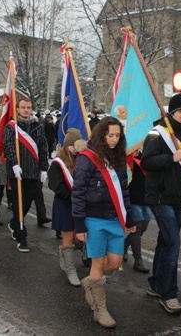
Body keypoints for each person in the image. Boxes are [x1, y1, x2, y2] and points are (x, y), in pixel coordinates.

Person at [72, 117, 136, 328]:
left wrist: (129, 215)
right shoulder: (86, 158)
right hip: (94, 220)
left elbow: (123, 191)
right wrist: (79, 223)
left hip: (114, 219)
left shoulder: (118, 158)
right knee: (98, 263)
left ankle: (91, 281)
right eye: (110, 135)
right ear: (101, 135)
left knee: (115, 263)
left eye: (118, 136)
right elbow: (78, 192)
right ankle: (100, 310)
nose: (115, 140)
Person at [141, 93, 181, 314]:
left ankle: (156, 284)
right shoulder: (158, 134)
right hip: (160, 196)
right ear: (172, 113)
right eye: (180, 111)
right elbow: (146, 161)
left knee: (165, 241)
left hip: (179, 198)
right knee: (174, 241)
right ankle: (169, 294)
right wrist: (170, 159)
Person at [3, 97, 50, 253]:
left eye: (28, 107)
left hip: (33, 171)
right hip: (17, 172)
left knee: (27, 203)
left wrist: (44, 168)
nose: (26, 110)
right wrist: (14, 163)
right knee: (18, 203)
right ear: (17, 109)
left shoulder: (38, 127)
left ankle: (14, 223)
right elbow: (8, 146)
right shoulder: (12, 127)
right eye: (23, 107)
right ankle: (21, 237)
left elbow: (43, 148)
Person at [49, 128, 84, 286]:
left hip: (79, 204)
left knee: (79, 237)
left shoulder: (82, 160)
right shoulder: (58, 164)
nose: (76, 149)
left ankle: (64, 251)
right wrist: (73, 197)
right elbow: (56, 185)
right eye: (73, 145)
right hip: (65, 204)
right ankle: (70, 269)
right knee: (69, 236)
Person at [122, 149, 151, 273]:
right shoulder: (125, 157)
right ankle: (138, 261)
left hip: (145, 198)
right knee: (137, 228)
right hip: (132, 198)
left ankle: (124, 245)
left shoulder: (144, 156)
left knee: (143, 227)